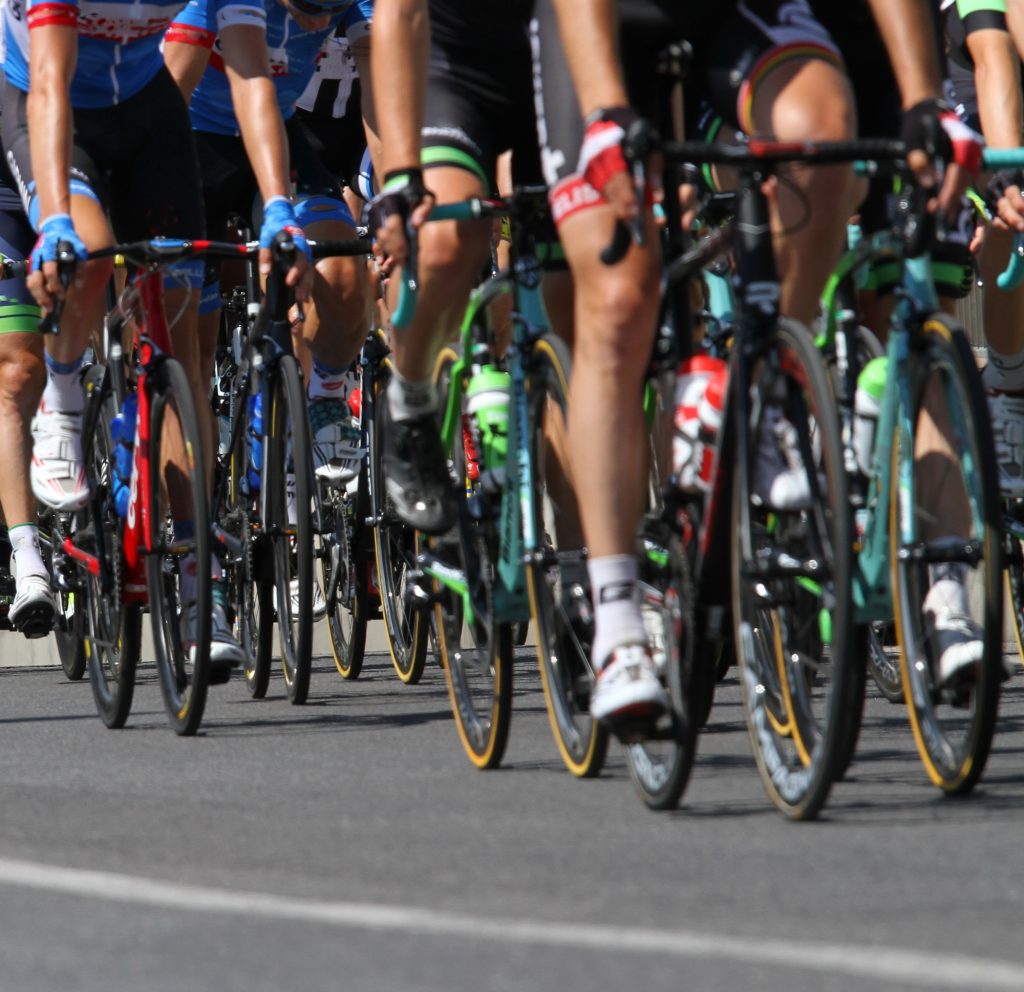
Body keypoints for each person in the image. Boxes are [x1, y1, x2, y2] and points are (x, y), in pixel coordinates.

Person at [1, 0, 311, 670]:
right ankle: (62, 399)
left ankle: (202, 593)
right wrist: (53, 220)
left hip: (147, 106)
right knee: (90, 253)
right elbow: (51, 79)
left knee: (171, 313)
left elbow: (252, 75)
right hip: (45, 100)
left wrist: (279, 204)